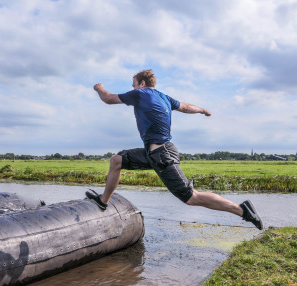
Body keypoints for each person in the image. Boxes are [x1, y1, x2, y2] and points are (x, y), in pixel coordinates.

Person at [86, 69, 263, 230]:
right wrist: (202, 110)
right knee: (117, 160)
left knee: (192, 198)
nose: (132, 88)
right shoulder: (164, 97)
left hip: (162, 155)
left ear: (141, 84)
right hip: (153, 153)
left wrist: (99, 88)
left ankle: (242, 211)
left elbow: (108, 98)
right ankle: (103, 201)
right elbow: (185, 107)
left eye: (133, 84)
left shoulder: (140, 93)